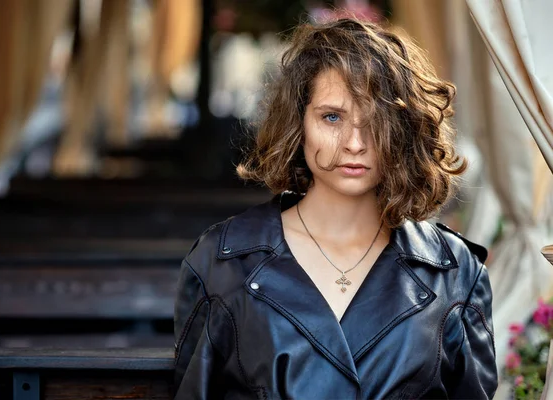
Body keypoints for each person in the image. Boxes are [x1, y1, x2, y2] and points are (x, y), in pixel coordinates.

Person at [173, 16, 497, 399]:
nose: (354, 143)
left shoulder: (456, 273)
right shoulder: (223, 261)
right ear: (299, 123)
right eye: (332, 117)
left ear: (405, 129)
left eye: (376, 121)